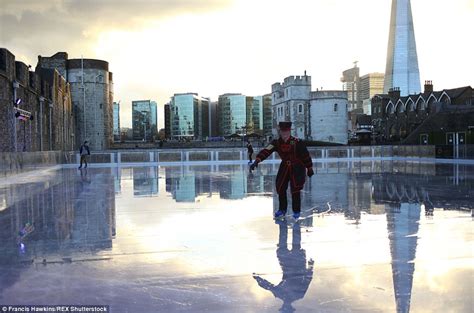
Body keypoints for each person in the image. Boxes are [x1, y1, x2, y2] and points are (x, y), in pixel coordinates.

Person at [250, 122, 313, 219]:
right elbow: (266, 151)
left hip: (297, 168)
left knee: (295, 189)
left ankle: (296, 211)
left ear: (289, 131)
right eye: (283, 131)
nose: (284, 134)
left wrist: (309, 168)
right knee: (280, 187)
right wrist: (257, 160)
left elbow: (305, 155)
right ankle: (282, 209)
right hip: (284, 167)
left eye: (286, 131)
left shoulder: (297, 142)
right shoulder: (276, 143)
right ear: (280, 132)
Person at [253, 220, 314, 312]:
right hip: (290, 265)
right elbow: (268, 286)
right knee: (288, 244)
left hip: (293, 265)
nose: (285, 305)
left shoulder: (296, 295)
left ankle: (293, 225)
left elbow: (268, 286)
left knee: (294, 244)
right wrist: (258, 279)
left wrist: (310, 266)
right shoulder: (285, 294)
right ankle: (287, 225)